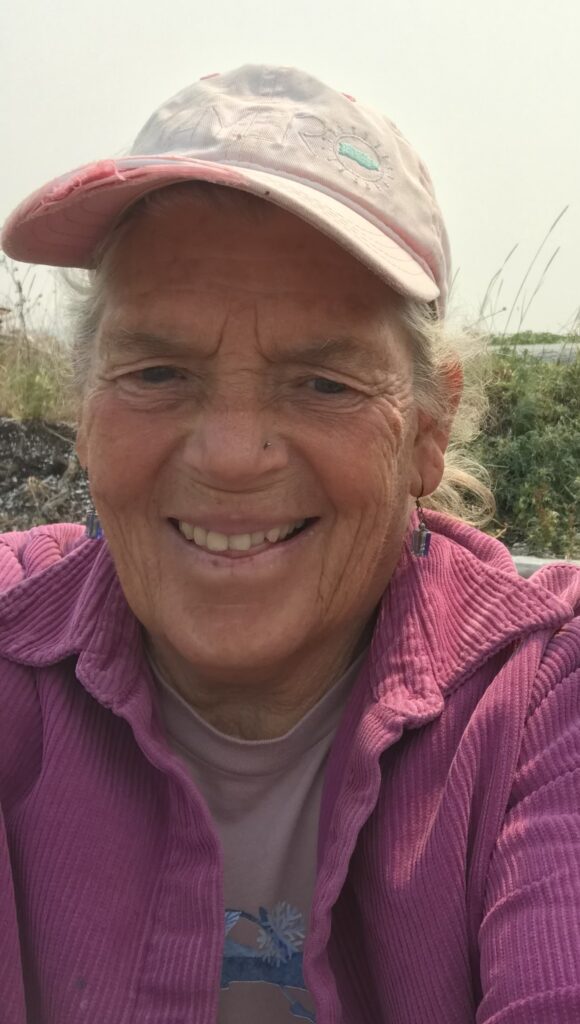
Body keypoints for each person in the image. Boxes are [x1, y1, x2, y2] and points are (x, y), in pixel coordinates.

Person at [0, 64, 579, 1024]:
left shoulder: (541, 702)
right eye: (156, 372)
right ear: (85, 415)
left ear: (428, 432)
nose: (231, 456)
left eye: (323, 383)